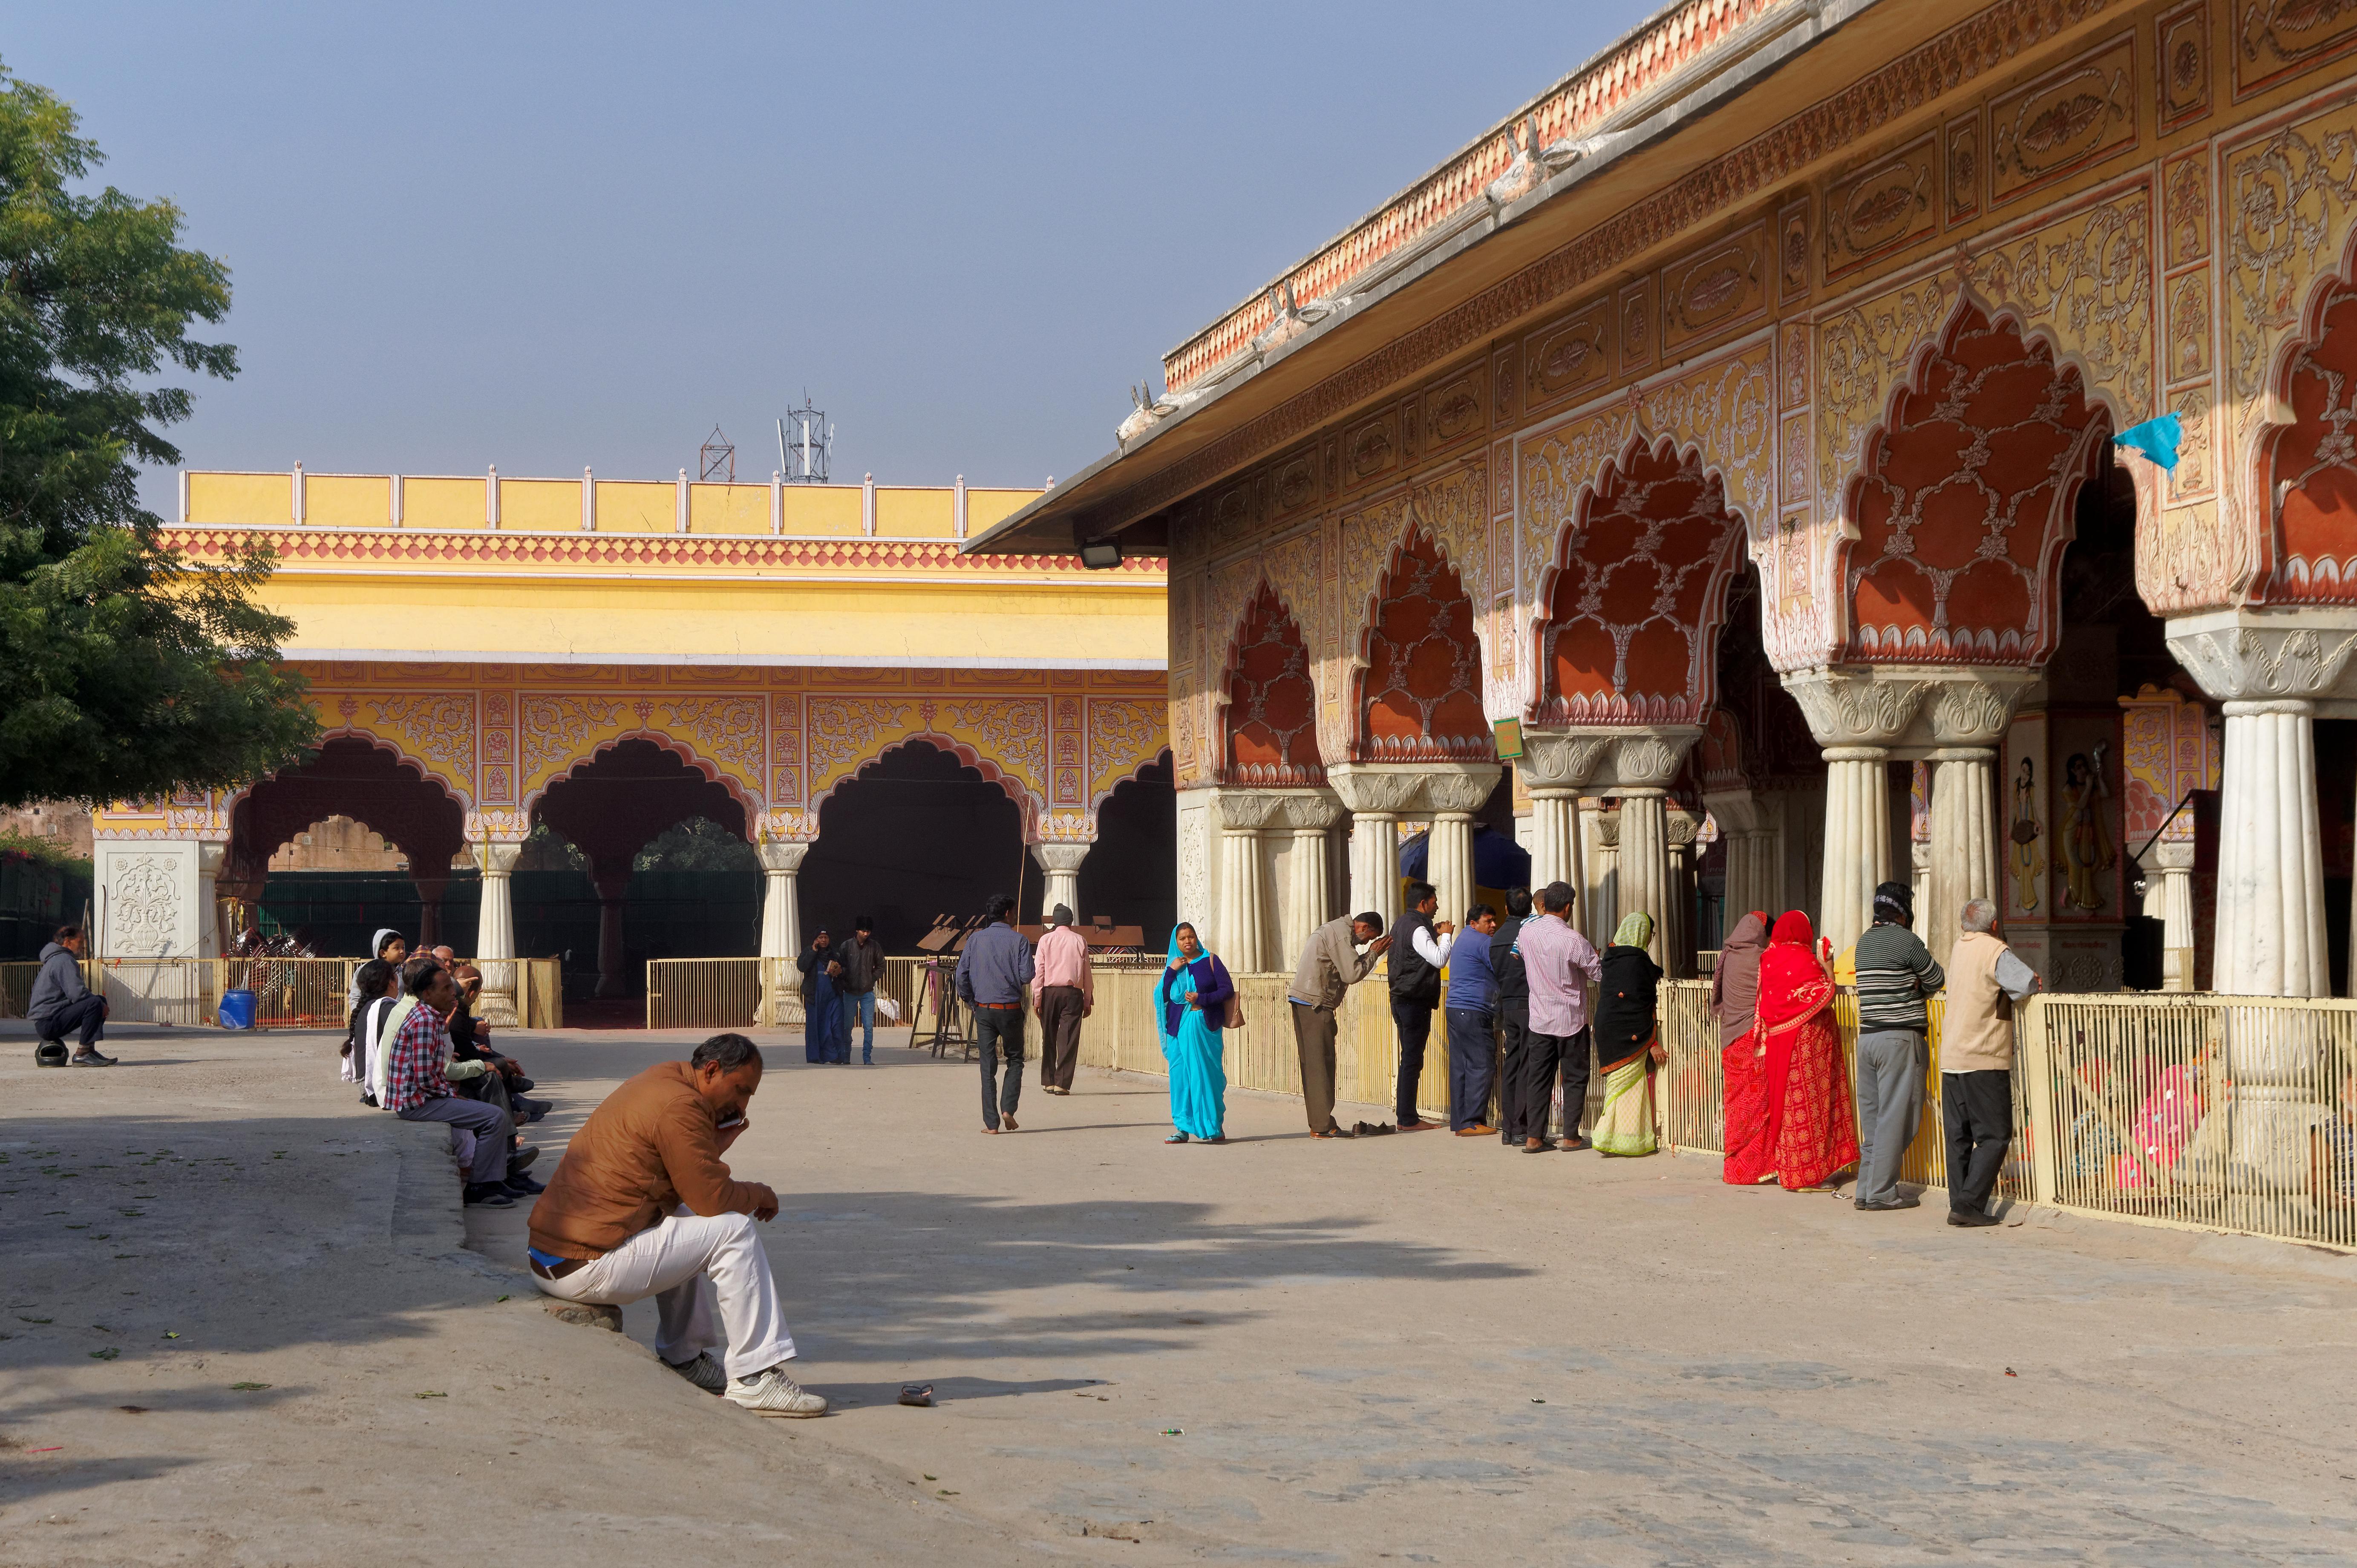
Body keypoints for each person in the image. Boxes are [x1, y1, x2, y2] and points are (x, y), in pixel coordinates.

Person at [526, 1032, 825, 1417]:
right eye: (741, 1090)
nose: (743, 1103)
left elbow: (680, 1180)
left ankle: (684, 1358)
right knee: (734, 1230)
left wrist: (712, 1145)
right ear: (712, 1070)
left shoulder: (664, 1079)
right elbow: (711, 1198)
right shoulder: (681, 1105)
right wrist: (760, 1193)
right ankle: (755, 1377)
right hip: (582, 1266)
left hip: (551, 1260)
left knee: (691, 1219)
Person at [379, 959, 532, 1207]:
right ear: (427, 993)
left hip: (420, 1097)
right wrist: (450, 1095)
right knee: (494, 1117)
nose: (454, 994)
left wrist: (449, 1092)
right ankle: (480, 1186)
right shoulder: (425, 1022)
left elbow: (431, 1073)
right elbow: (425, 1077)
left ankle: (493, 1179)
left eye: (453, 988)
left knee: (486, 1111)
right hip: (417, 1103)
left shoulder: (427, 1014)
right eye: (446, 990)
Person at [1729, 911, 1860, 1191]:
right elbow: (1825, 996)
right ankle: (1805, 1177)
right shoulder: (1802, 959)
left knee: (1785, 1109)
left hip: (1777, 1043)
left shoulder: (1768, 958)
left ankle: (1789, 1171)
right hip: (1807, 1047)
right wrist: (1828, 966)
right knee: (1809, 1111)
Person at [1941, 898, 2041, 1228]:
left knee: (1959, 1135)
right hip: (1982, 1054)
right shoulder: (1994, 950)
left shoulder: (1960, 947)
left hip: (1953, 1053)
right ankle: (1969, 1204)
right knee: (1996, 1134)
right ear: (1995, 925)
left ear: (1963, 926)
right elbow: (2026, 983)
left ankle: (1960, 1203)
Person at [1852, 881, 1946, 1211]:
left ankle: (1865, 1190)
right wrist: (1915, 986)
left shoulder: (1863, 943)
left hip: (1868, 1039)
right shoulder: (1907, 942)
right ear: (1903, 911)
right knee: (1897, 1118)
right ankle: (1881, 1193)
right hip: (1899, 1039)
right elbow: (1936, 978)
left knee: (1875, 1119)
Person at [1513, 883, 1602, 1153]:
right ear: (1567, 908)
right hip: (1571, 1020)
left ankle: (1534, 1137)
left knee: (1538, 1078)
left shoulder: (1527, 932)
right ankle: (1571, 1136)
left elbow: (1521, 958)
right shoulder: (1573, 940)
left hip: (1539, 1017)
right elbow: (1598, 974)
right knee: (1574, 1078)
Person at [1287, 911, 1392, 1139]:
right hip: (1315, 1004)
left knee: (1313, 1066)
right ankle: (1323, 1126)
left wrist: (1369, 953)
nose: (1366, 942)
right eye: (1369, 937)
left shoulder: (1333, 929)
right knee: (1322, 1065)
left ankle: (1320, 1122)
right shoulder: (1343, 935)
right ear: (1363, 927)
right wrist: (1374, 954)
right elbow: (1352, 973)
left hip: (1304, 1000)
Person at [954, 894, 1034, 1133]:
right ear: (1009, 913)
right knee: (1016, 1060)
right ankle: (1008, 1108)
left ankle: (991, 1125)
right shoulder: (1020, 940)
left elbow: (961, 976)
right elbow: (1027, 976)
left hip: (984, 1011)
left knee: (987, 1067)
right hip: (1010, 1010)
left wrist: (972, 1001)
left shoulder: (975, 940)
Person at [1591, 911, 1665, 1157]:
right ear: (1643, 934)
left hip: (1607, 1028)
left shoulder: (1610, 959)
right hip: (1629, 1031)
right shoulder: (1638, 962)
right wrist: (1653, 1042)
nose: (1652, 939)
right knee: (1629, 1087)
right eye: (1651, 934)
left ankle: (1618, 1138)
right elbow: (1642, 1005)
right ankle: (1614, 1138)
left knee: (1618, 1086)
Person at [1156, 921, 1233, 1144]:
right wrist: (1172, 971)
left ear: (1196, 938)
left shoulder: (1209, 961)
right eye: (1182, 939)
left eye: (1191, 937)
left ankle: (1213, 1126)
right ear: (1176, 943)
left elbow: (1226, 989)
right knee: (1181, 1078)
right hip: (1177, 1029)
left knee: (1206, 1076)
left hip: (1203, 1025)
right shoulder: (1175, 966)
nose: (1187, 942)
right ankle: (1182, 1127)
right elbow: (1164, 995)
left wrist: (1203, 999)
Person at [1388, 881, 1454, 1131]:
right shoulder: (1417, 929)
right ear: (1424, 903)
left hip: (1402, 997)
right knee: (1413, 1060)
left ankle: (1406, 1115)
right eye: (1434, 903)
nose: (1437, 908)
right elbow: (1438, 960)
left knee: (1409, 1059)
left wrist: (1434, 933)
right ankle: (1408, 1118)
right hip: (1413, 1000)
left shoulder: (1403, 924)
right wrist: (1447, 936)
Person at [1444, 904, 1502, 1136]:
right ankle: (1472, 1121)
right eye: (1488, 921)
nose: (1493, 925)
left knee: (1461, 1066)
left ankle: (1460, 1121)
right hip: (1473, 1011)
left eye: (1494, 920)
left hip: (1456, 1009)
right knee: (1483, 1064)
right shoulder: (1482, 942)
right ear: (1473, 923)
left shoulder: (1463, 938)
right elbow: (1502, 967)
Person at [1490, 889, 1537, 1147]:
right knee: (1527, 1065)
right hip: (1529, 1003)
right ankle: (1520, 1127)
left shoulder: (1497, 938)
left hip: (1508, 1004)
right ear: (1529, 907)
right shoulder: (1530, 933)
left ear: (1506, 909)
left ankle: (1509, 1128)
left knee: (1512, 1063)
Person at [28, 925, 111, 1067]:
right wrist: (99, 1005)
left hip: (48, 1020)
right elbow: (77, 994)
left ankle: (89, 1050)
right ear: (68, 941)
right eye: (80, 943)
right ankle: (83, 1054)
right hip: (48, 1024)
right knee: (95, 1003)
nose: (83, 947)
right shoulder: (64, 960)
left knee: (98, 1000)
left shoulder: (56, 959)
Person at [1034, 904, 1095, 1095]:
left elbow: (1039, 971)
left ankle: (1048, 1081)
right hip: (1073, 993)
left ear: (1055, 921)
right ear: (1071, 921)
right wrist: (1087, 999)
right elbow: (1086, 972)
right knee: (1068, 1039)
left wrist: (1037, 998)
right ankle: (1062, 1084)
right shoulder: (1080, 940)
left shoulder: (1045, 940)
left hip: (1049, 993)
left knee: (1049, 1036)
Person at [342, 957, 399, 1102]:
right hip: (378, 1088)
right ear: (392, 982)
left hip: (366, 1086)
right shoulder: (386, 1007)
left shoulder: (366, 1008)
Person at [836, 916, 886, 1066]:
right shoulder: (846, 947)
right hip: (850, 992)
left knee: (869, 1027)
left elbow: (882, 966)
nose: (866, 934)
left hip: (867, 992)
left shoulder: (875, 947)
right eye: (864, 931)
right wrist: (845, 977)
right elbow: (840, 966)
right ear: (857, 930)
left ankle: (867, 1057)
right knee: (847, 1026)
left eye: (868, 931)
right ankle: (846, 1056)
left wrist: (871, 979)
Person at [797, 931, 847, 1065]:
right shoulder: (809, 952)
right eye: (820, 938)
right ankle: (815, 1057)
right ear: (816, 940)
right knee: (815, 1026)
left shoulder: (835, 954)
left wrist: (840, 971)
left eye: (826, 937)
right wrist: (813, 952)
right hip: (815, 996)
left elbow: (845, 971)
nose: (824, 940)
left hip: (833, 995)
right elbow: (802, 967)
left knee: (836, 1025)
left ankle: (837, 1056)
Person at [347, 928, 407, 1010]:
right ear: (383, 953)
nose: (402, 951)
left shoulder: (404, 972)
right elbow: (356, 997)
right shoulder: (367, 970)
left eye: (403, 948)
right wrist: (360, 1016)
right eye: (397, 948)